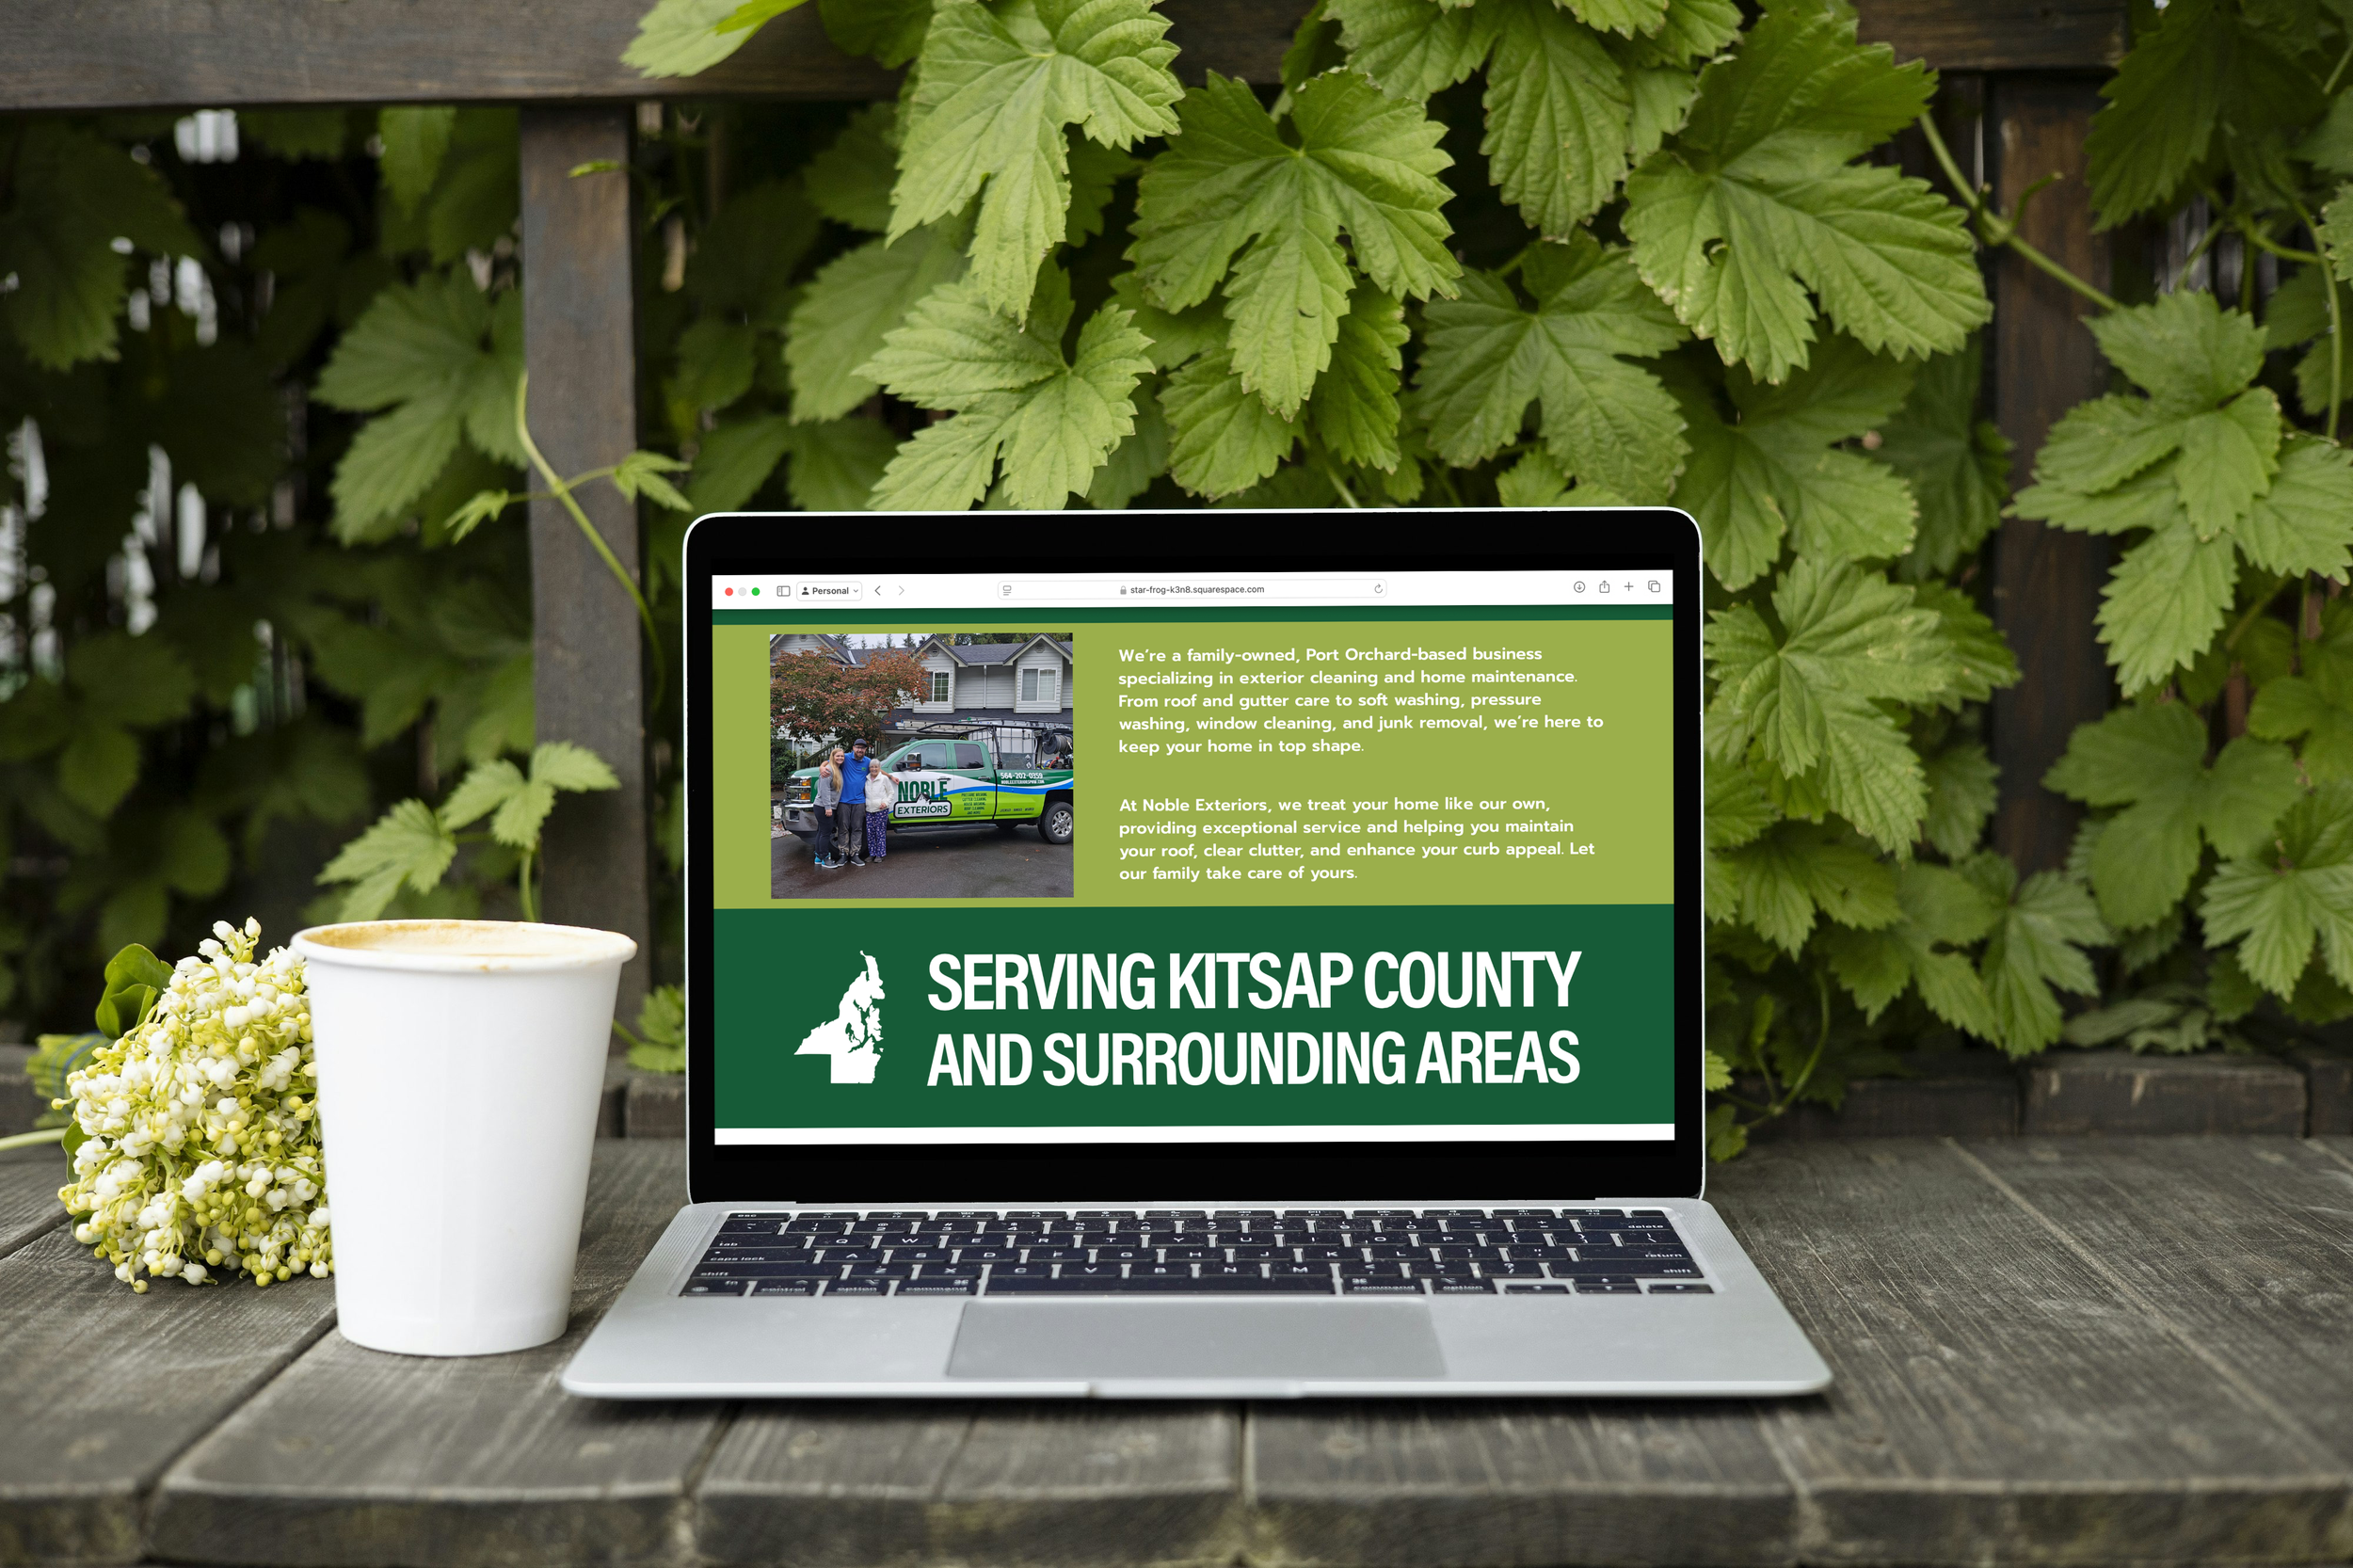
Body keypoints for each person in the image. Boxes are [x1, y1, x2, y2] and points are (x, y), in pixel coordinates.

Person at [838, 738, 872, 867]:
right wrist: (821, 768)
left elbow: (878, 770)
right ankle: (843, 854)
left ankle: (855, 854)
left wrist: (891, 777)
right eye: (857, 747)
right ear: (853, 748)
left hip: (859, 801)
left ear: (865, 750)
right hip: (843, 800)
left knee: (857, 828)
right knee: (843, 828)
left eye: (862, 748)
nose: (860, 750)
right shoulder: (845, 758)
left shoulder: (868, 762)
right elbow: (829, 761)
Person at [810, 748, 844, 869]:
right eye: (837, 756)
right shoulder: (828, 770)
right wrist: (828, 807)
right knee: (825, 833)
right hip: (823, 806)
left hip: (825, 806)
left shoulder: (836, 769)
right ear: (832, 757)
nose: (840, 758)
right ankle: (825, 858)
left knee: (821, 832)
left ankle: (818, 857)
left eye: (842, 756)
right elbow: (825, 791)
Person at [863, 754, 898, 861]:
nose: (874, 769)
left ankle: (880, 854)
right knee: (870, 833)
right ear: (869, 768)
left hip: (881, 810)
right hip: (869, 809)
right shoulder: (867, 779)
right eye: (872, 767)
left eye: (876, 767)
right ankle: (872, 854)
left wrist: (885, 803)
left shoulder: (883, 779)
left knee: (880, 832)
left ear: (879, 768)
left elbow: (891, 793)